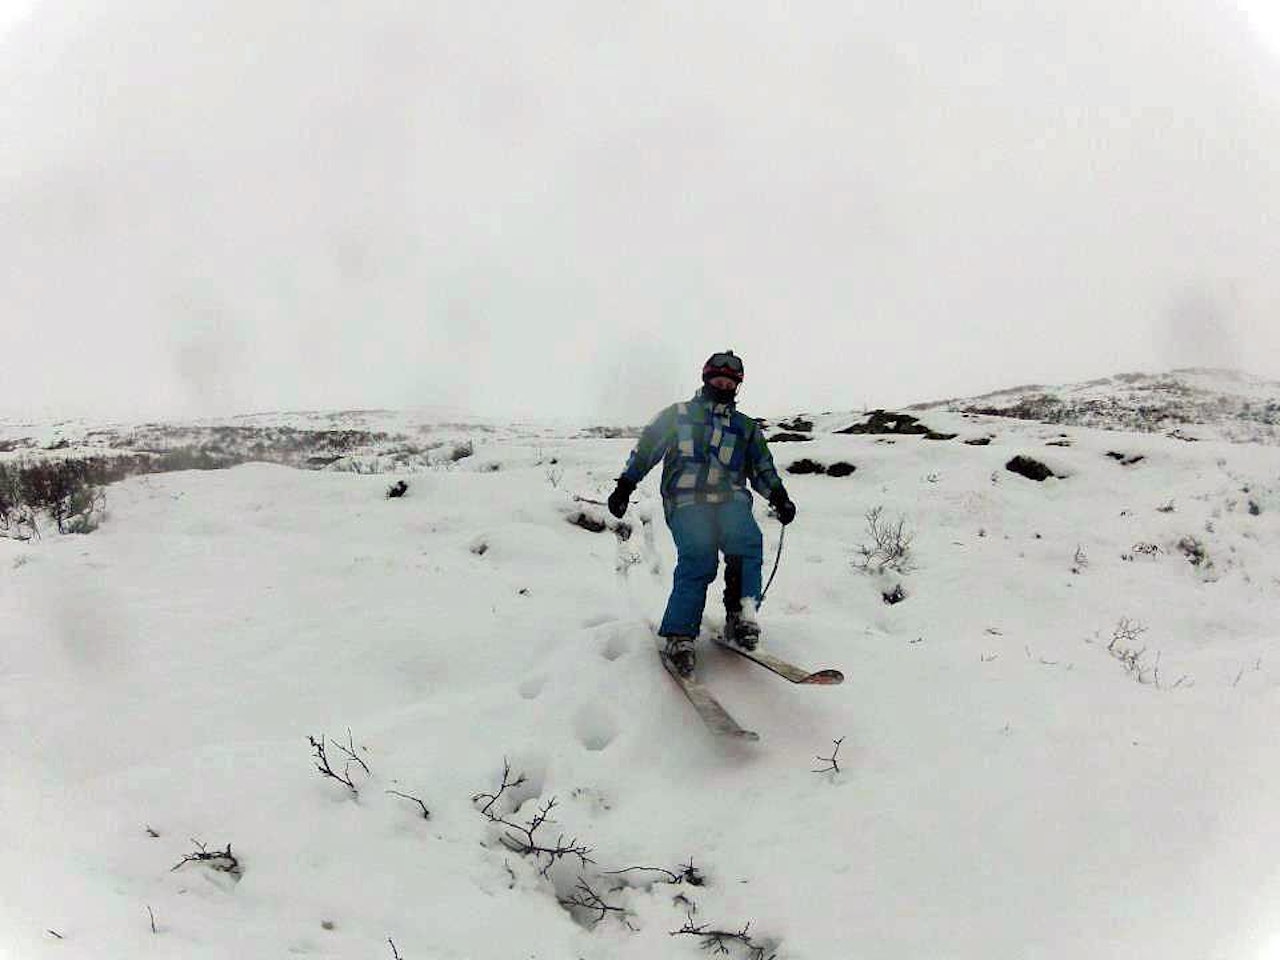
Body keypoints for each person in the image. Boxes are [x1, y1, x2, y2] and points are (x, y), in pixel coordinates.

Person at [607, 350, 796, 677]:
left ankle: (741, 616)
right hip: (686, 499)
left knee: (746, 544)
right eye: (717, 379)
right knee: (699, 555)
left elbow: (761, 467)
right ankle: (680, 634)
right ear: (706, 379)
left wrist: (778, 496)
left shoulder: (745, 428)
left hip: (731, 499)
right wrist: (625, 485)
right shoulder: (678, 415)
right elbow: (646, 449)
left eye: (730, 381)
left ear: (737, 386)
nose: (723, 385)